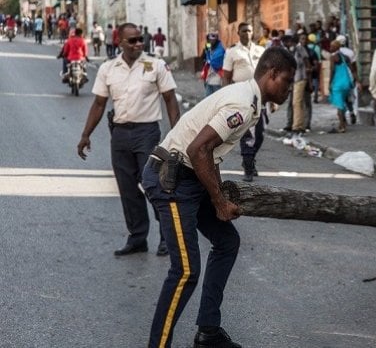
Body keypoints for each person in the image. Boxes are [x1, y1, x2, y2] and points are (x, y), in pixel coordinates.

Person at [143, 46, 296, 348]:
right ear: (272, 74)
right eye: (287, 81)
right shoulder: (243, 104)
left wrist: (219, 192)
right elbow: (198, 150)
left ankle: (208, 332)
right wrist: (218, 201)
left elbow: (207, 153)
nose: (289, 89)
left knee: (227, 241)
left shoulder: (247, 99)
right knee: (185, 270)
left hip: (190, 177)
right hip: (172, 181)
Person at [76, 22, 180, 257]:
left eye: (140, 39)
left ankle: (167, 237)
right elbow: (99, 104)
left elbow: (170, 100)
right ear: (119, 43)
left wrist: (177, 134)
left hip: (147, 133)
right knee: (127, 188)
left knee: (153, 184)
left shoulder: (155, 65)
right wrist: (85, 135)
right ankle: (137, 237)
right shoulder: (109, 68)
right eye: (132, 40)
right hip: (120, 134)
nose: (138, 44)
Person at [222, 22, 266, 182]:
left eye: (249, 30)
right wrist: (227, 97)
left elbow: (267, 75)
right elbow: (226, 76)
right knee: (246, 133)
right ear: (238, 33)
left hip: (259, 96)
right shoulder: (232, 52)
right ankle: (248, 167)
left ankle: (250, 159)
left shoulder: (261, 50)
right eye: (243, 31)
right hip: (241, 96)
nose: (247, 33)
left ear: (253, 32)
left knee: (260, 133)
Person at [328, 40, 355, 133]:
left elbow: (332, 71)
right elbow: (352, 69)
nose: (330, 48)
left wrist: (329, 83)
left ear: (336, 47)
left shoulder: (333, 57)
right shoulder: (346, 57)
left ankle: (342, 126)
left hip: (338, 84)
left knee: (339, 106)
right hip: (346, 83)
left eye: (331, 46)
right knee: (343, 102)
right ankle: (343, 122)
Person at [335, 34, 360, 125]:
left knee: (340, 98)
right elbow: (354, 67)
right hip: (349, 78)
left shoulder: (335, 54)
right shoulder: (350, 52)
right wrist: (356, 79)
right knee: (348, 97)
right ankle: (351, 112)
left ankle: (342, 117)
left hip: (338, 79)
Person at [202, 32, 226, 97]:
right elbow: (206, 59)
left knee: (217, 98)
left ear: (216, 39)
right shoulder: (209, 48)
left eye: (213, 38)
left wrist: (209, 57)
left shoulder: (220, 50)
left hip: (217, 78)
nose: (211, 41)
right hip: (208, 78)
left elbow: (215, 63)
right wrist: (207, 51)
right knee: (208, 98)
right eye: (209, 39)